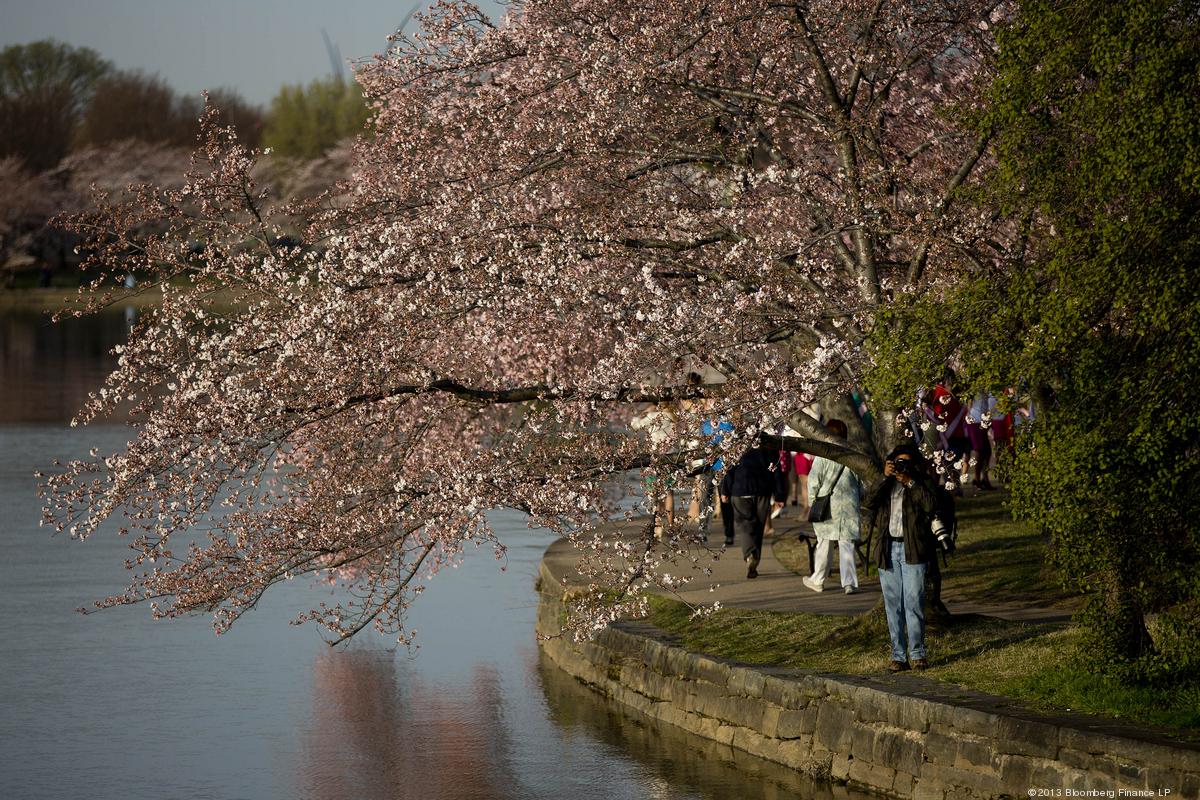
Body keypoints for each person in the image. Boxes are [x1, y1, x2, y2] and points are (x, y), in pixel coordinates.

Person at [865, 442, 939, 672]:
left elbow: (931, 505)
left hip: (913, 550)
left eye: (905, 462)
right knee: (893, 606)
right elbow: (868, 502)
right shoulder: (887, 485)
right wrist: (883, 478)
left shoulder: (921, 482)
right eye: (898, 462)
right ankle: (898, 655)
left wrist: (910, 482)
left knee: (914, 603)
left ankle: (917, 654)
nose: (901, 466)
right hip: (888, 549)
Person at [801, 420, 864, 594]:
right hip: (849, 504)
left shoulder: (823, 455)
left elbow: (813, 481)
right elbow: (861, 483)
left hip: (827, 505)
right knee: (847, 545)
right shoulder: (853, 454)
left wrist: (813, 502)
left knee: (824, 543)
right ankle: (849, 583)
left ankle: (818, 579)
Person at [719, 438, 786, 578]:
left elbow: (728, 469)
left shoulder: (734, 443)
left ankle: (750, 554)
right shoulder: (767, 444)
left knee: (745, 526)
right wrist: (779, 495)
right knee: (759, 527)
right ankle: (755, 556)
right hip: (762, 490)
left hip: (740, 489)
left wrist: (725, 490)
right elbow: (776, 469)